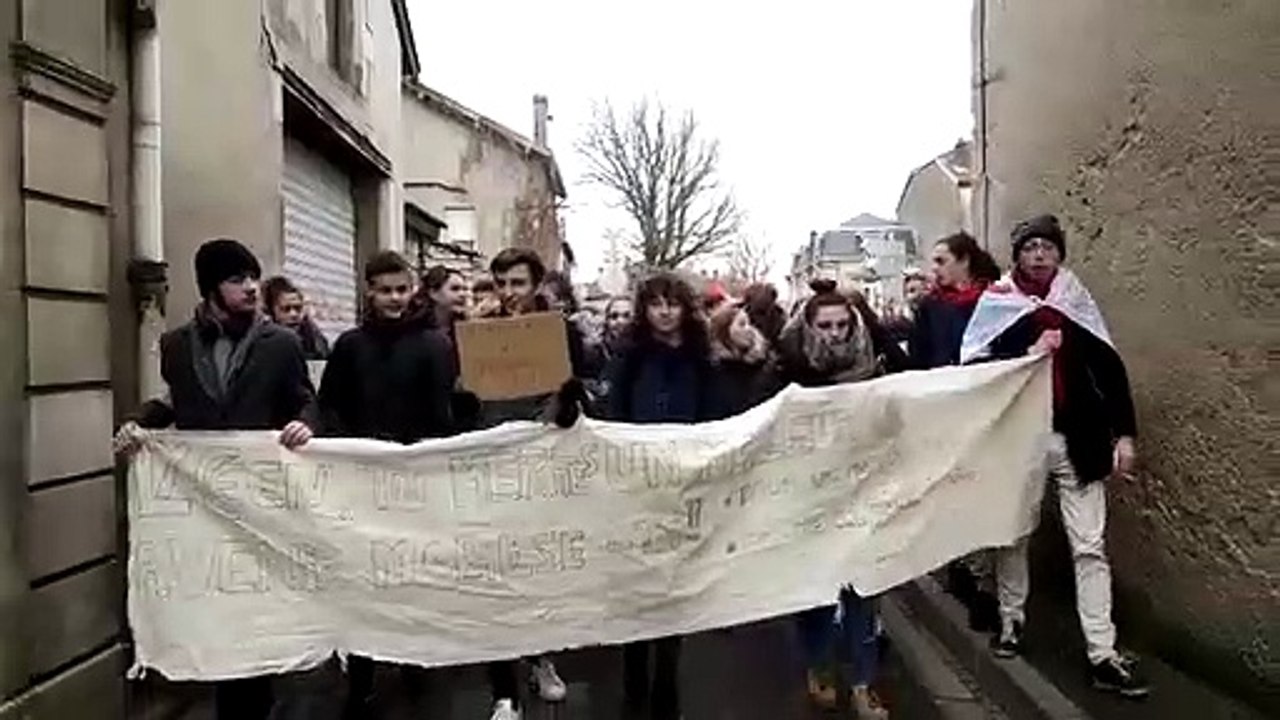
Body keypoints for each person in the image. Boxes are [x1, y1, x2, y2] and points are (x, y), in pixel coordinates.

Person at [114, 238, 315, 720]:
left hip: (263, 502)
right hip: (206, 510)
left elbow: (306, 400)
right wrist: (138, 423)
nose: (251, 288)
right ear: (210, 288)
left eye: (253, 277)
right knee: (219, 612)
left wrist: (306, 424)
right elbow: (174, 402)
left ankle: (260, 701)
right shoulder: (177, 346)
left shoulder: (281, 344)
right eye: (236, 279)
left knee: (256, 614)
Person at [960, 214, 1149, 698]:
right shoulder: (999, 303)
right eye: (1030, 247)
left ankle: (1102, 652)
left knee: (1089, 546)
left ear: (1059, 254)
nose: (1040, 254)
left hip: (1078, 439)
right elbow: (977, 370)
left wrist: (1124, 434)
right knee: (1013, 536)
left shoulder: (1074, 300)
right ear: (1017, 256)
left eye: (1048, 247)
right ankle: (1011, 622)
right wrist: (1030, 349)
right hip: (1020, 439)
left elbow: (1108, 367)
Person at [317, 251, 456, 719]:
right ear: (369, 292)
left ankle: (415, 661)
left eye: (402, 289)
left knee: (413, 573)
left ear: (412, 290)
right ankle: (362, 675)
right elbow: (330, 406)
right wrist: (347, 448)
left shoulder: (435, 344)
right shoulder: (350, 346)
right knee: (363, 576)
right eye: (385, 291)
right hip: (363, 480)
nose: (395, 298)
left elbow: (447, 411)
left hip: (418, 480)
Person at [464, 247, 579, 720]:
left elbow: (576, 402)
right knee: (496, 578)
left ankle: (540, 657)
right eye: (502, 283)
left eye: (518, 283)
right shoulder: (477, 333)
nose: (509, 293)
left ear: (536, 285)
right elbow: (462, 407)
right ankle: (504, 691)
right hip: (490, 467)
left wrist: (566, 399)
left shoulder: (558, 332)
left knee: (538, 573)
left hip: (541, 469)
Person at [604, 273, 722, 720]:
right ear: (645, 310)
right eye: (656, 304)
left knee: (675, 588)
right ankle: (634, 677)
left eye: (672, 303)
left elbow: (715, 416)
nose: (665, 312)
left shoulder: (701, 358)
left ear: (685, 308)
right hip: (637, 485)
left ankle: (666, 686)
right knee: (638, 586)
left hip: (685, 484)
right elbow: (614, 414)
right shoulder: (630, 357)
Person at [777, 280, 893, 720]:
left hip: (863, 489)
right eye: (825, 326)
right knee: (817, 589)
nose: (835, 334)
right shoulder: (788, 370)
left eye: (843, 324)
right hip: (808, 494)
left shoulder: (873, 366)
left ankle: (864, 682)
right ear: (809, 327)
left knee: (863, 587)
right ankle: (819, 664)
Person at [707, 301, 780, 416]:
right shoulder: (714, 371)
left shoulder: (766, 363)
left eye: (749, 323)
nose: (749, 329)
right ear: (725, 331)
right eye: (742, 324)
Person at [263, 275, 331, 360]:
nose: (294, 314)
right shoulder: (263, 340)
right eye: (286, 309)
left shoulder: (312, 336)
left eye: (298, 308)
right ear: (271, 312)